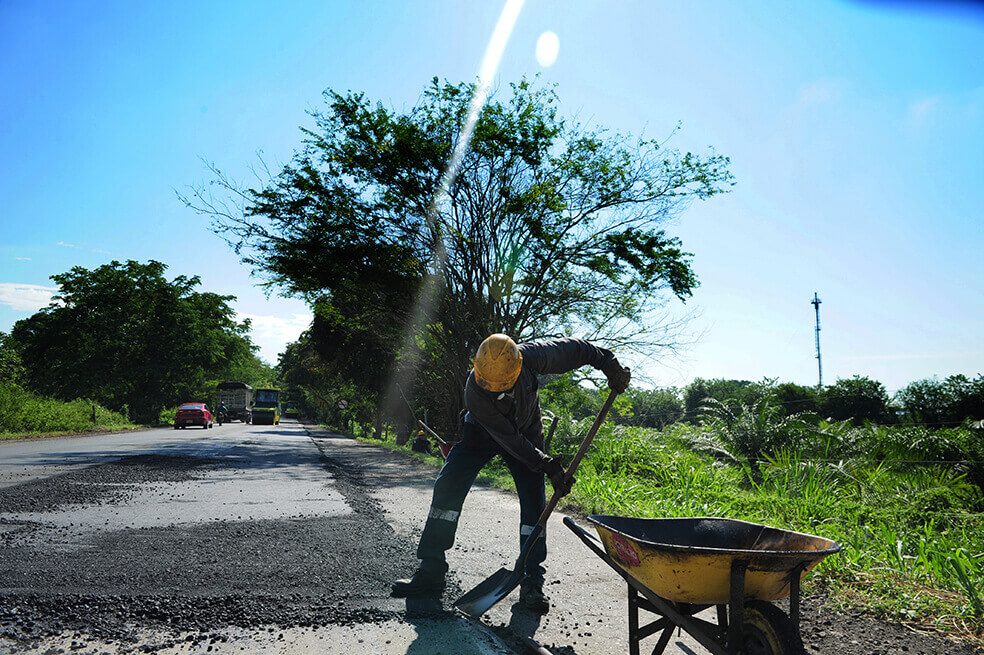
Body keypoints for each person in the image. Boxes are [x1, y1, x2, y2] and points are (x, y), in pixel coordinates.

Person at [391, 334, 630, 614]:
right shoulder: (474, 392)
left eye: (501, 385)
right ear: (477, 370)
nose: (493, 390)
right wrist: (548, 464)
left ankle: (531, 579)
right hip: (481, 433)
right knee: (448, 485)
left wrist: (608, 363)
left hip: (527, 431)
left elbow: (577, 350)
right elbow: (510, 440)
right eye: (487, 385)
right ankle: (431, 570)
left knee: (533, 503)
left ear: (518, 366)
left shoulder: (533, 356)